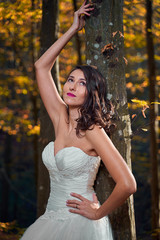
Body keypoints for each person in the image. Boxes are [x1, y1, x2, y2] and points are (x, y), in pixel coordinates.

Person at [20, 1, 136, 239]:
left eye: (82, 83)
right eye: (70, 79)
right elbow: (41, 67)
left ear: (92, 93)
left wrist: (98, 213)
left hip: (79, 224)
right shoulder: (59, 116)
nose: (72, 86)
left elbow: (127, 183)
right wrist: (74, 28)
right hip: (49, 219)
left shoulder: (93, 130)